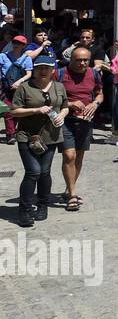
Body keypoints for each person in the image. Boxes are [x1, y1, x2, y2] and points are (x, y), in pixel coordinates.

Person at [10, 57, 68, 226]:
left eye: (47, 68)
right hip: (27, 136)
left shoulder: (59, 86)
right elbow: (14, 111)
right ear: (34, 70)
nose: (43, 71)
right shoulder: (24, 88)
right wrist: (35, 109)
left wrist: (62, 116)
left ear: (52, 70)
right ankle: (25, 210)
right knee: (33, 171)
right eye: (39, 68)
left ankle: (43, 205)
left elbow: (65, 105)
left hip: (51, 136)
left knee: (44, 172)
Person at [55, 46, 101, 211]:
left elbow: (99, 93)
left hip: (85, 121)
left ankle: (69, 188)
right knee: (69, 155)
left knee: (79, 156)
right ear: (71, 60)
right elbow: (51, 98)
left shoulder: (94, 73)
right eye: (79, 60)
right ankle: (73, 195)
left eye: (85, 60)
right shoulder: (59, 74)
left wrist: (95, 103)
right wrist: (70, 104)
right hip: (65, 120)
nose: (82, 63)